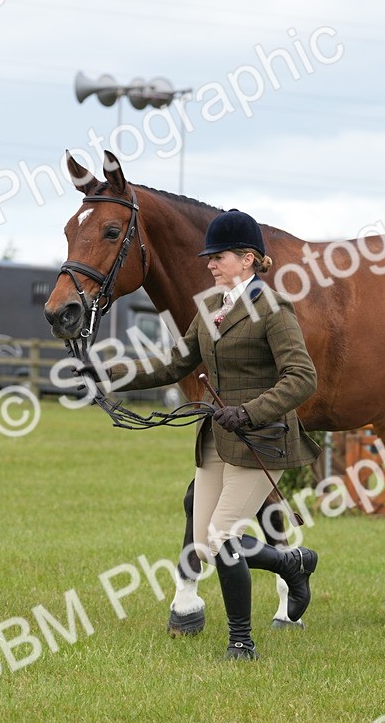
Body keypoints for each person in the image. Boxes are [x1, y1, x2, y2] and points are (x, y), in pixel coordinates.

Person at [89, 209, 321, 660]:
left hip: (260, 439)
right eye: (210, 256)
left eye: (220, 256)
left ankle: (241, 640)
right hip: (215, 438)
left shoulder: (272, 309)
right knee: (204, 544)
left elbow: (301, 377)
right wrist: (109, 373)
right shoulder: (211, 306)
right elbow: (175, 363)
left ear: (249, 259)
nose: (210, 263)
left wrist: (251, 411)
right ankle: (293, 562)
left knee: (222, 539)